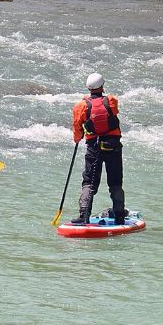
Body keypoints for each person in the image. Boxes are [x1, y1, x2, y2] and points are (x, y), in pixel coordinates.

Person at [71, 73, 124, 225]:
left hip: (94, 147)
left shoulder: (80, 106)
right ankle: (119, 215)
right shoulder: (112, 101)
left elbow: (77, 127)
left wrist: (77, 138)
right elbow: (112, 113)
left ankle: (83, 215)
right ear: (102, 86)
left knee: (89, 181)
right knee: (115, 182)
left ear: (88, 88)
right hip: (112, 146)